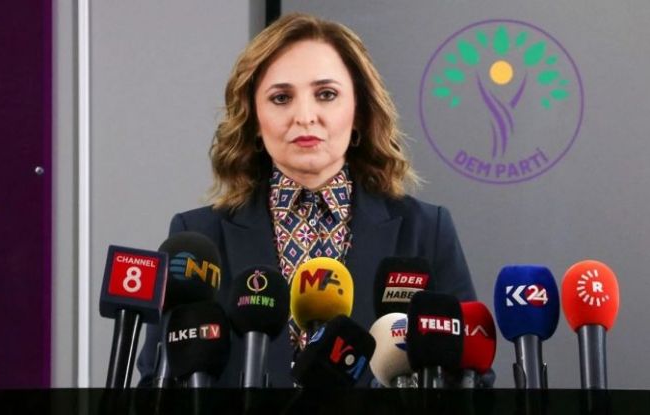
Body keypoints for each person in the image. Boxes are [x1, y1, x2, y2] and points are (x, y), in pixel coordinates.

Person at [137, 12, 477, 387]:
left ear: (359, 111)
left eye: (326, 94)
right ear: (254, 118)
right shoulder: (197, 238)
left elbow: (471, 378)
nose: (304, 116)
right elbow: (157, 383)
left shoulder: (427, 231)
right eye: (281, 98)